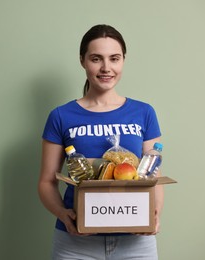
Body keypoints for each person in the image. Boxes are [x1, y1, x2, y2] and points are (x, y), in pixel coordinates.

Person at [38, 24, 164, 260]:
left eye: (114, 59)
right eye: (96, 59)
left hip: (135, 243)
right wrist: (64, 215)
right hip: (75, 243)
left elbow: (154, 176)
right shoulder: (61, 116)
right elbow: (46, 182)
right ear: (83, 61)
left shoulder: (144, 112)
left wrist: (153, 216)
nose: (106, 68)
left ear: (123, 61)